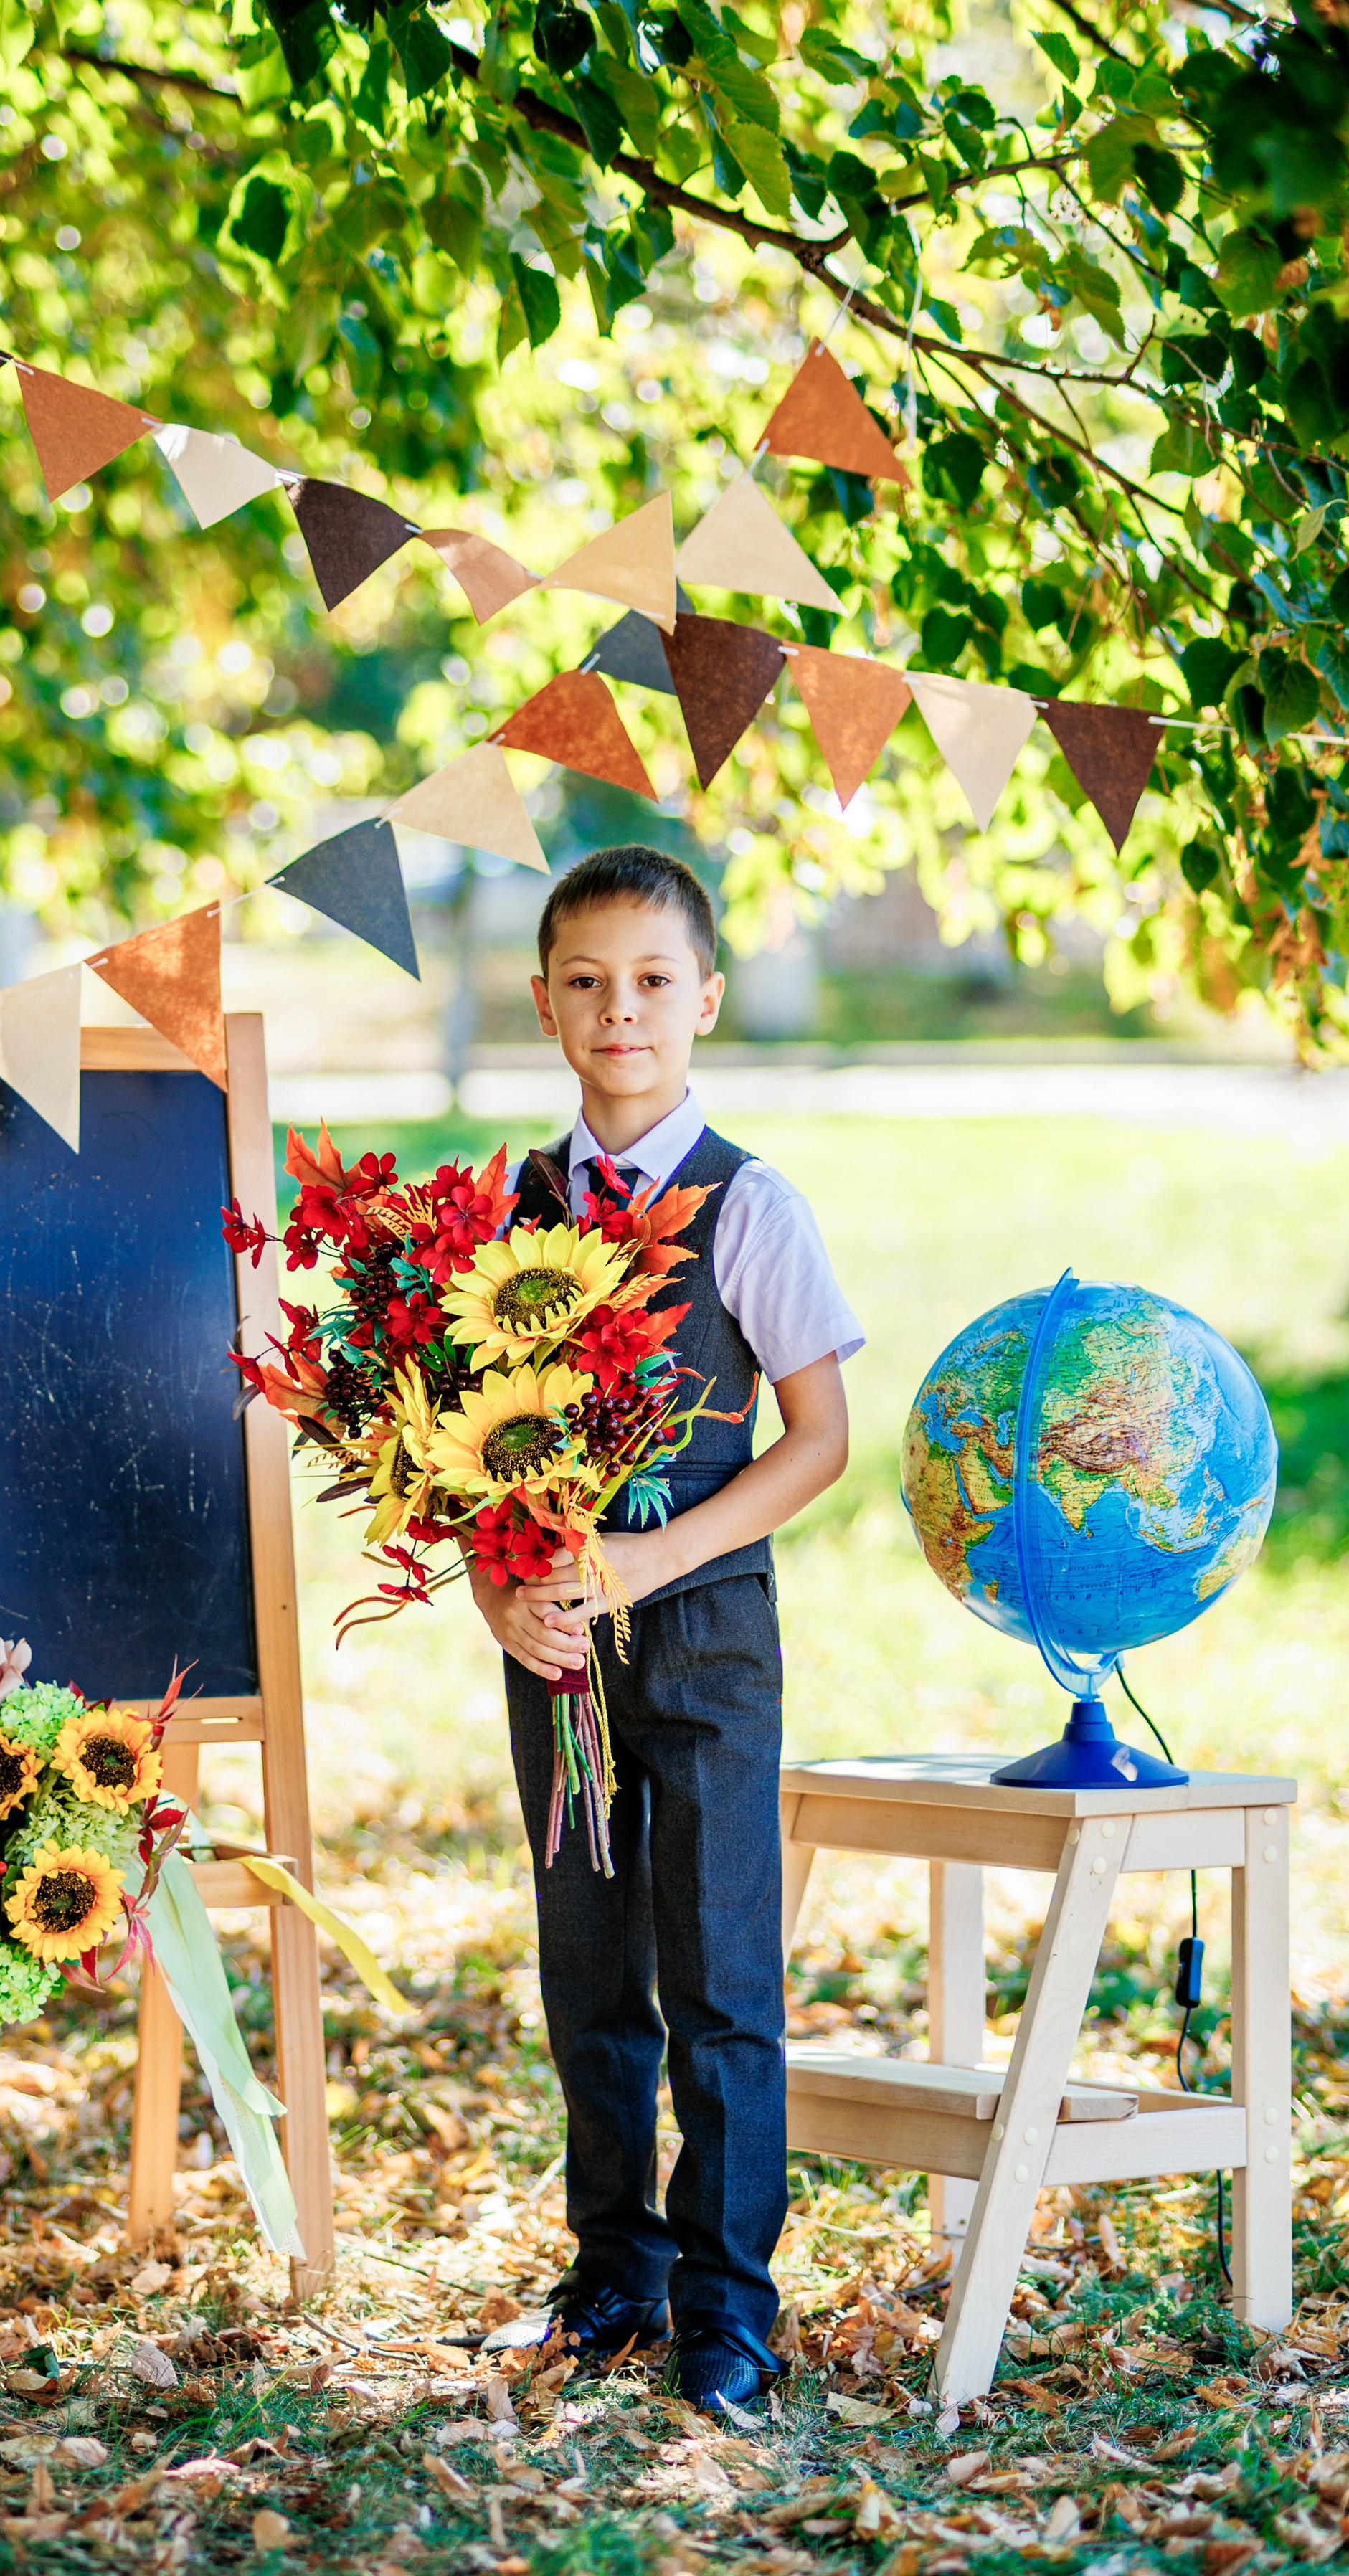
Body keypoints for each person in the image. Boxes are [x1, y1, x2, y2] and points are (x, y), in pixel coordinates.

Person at [468, 841, 863, 2416]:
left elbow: (818, 1440)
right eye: (584, 982)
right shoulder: (508, 1205)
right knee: (587, 1976)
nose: (617, 1010)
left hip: (699, 1640)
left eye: (649, 981)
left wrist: (647, 1564)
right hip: (552, 1656)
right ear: (545, 1003)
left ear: (703, 996)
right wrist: (503, 1594)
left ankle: (727, 2306)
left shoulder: (749, 1205)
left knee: (716, 1980)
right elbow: (459, 1439)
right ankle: (611, 2268)